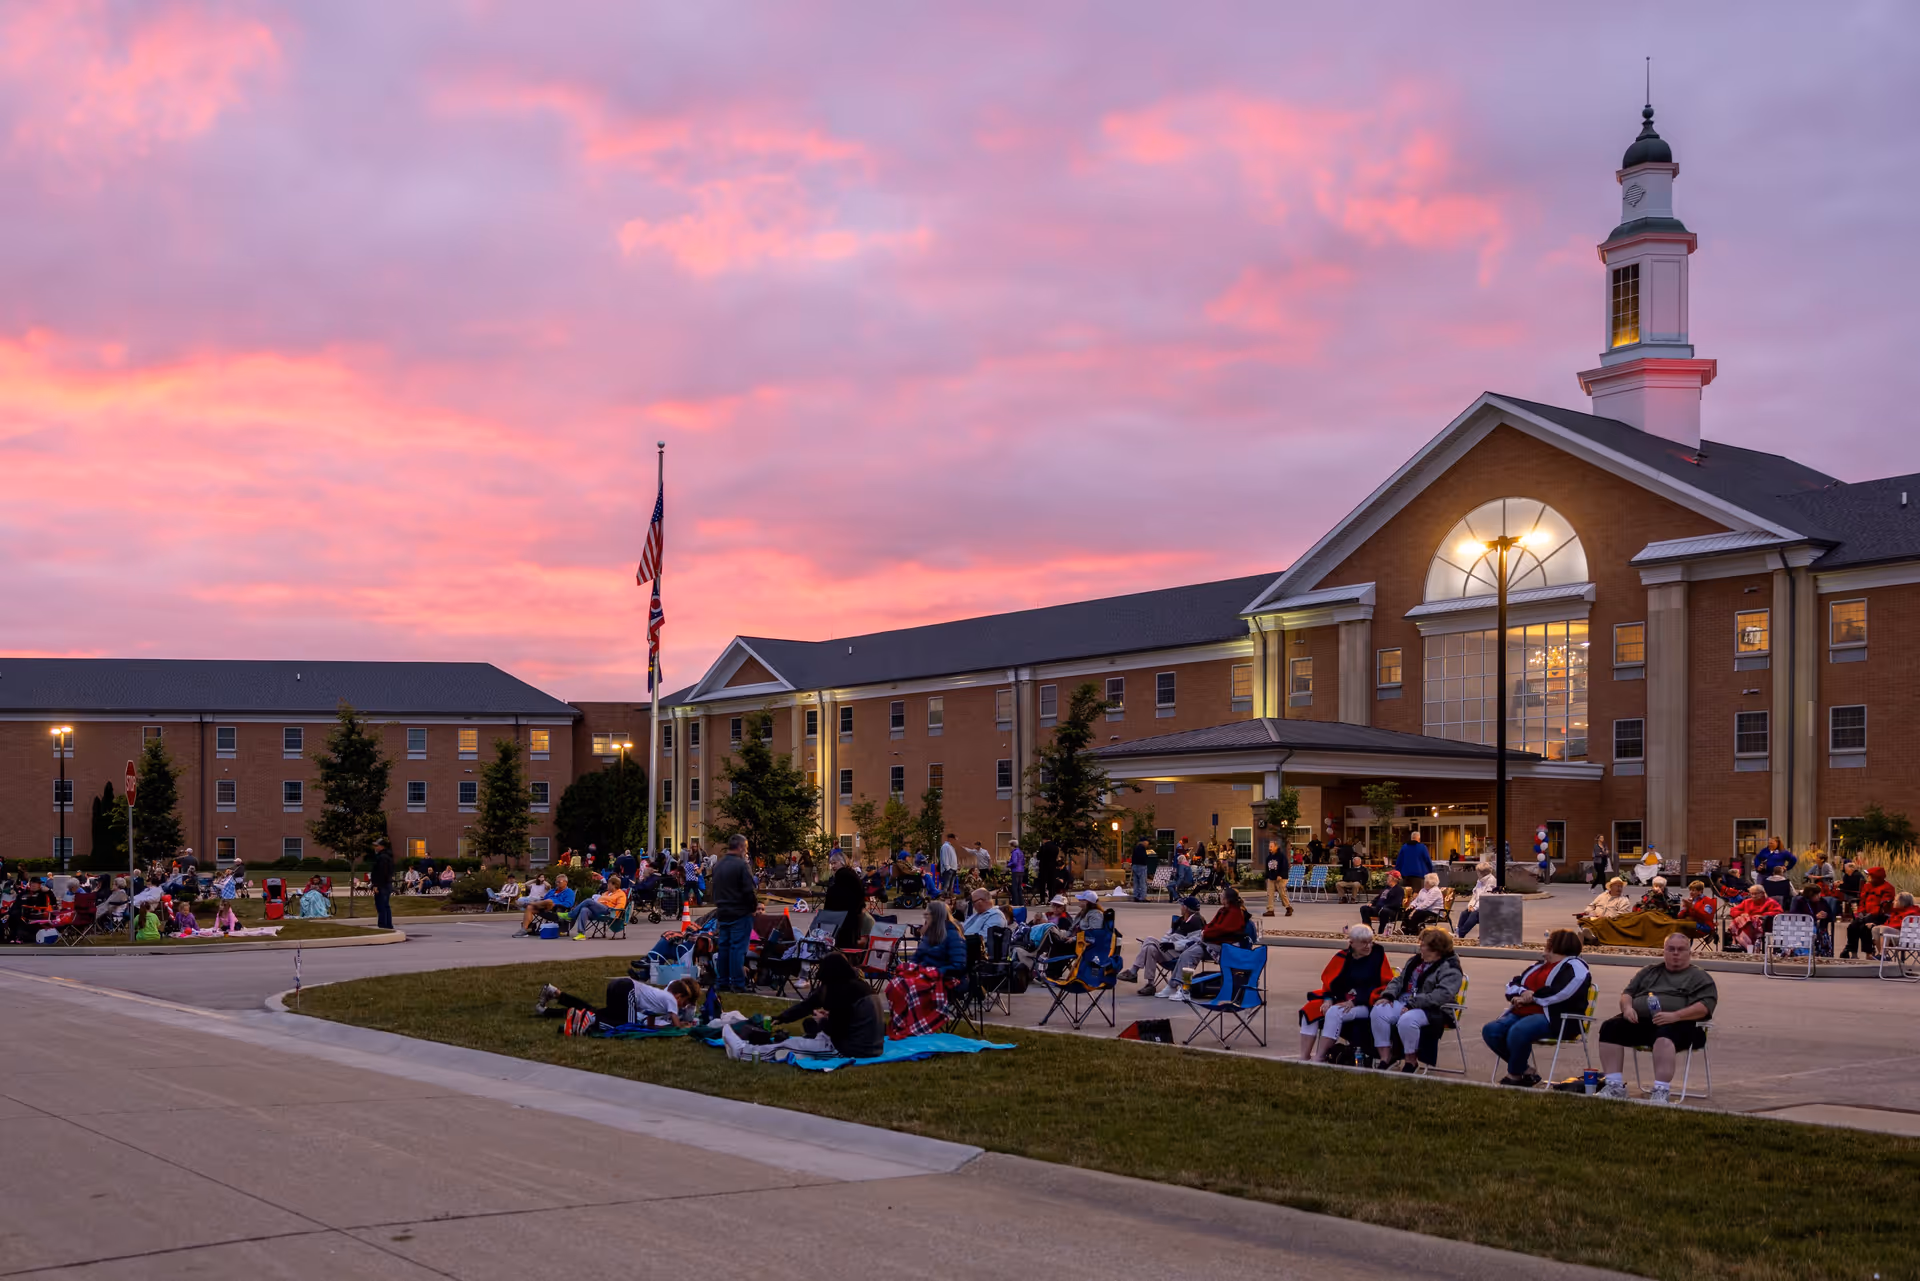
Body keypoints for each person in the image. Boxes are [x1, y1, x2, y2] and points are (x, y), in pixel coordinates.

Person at [1595, 934, 1718, 1103]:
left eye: (1681, 949)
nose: (1675, 953)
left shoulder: (1699, 977)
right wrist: (1627, 1008)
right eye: (1671, 949)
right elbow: (1628, 993)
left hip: (1682, 1025)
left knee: (1664, 1035)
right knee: (1611, 1027)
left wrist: (1675, 1016)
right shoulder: (1649, 971)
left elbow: (1704, 1007)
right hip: (1644, 1023)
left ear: (1690, 953)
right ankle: (1614, 1086)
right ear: (1664, 951)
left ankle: (1661, 1090)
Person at [1480, 929, 1592, 1087]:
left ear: (1557, 944)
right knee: (1491, 1030)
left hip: (1556, 1017)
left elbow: (1562, 992)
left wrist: (1533, 997)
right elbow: (1512, 985)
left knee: (1519, 1031)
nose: (1546, 943)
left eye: (1550, 940)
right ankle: (1525, 1071)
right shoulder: (1539, 965)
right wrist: (1522, 993)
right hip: (1522, 1013)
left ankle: (1514, 1076)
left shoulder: (1576, 966)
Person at [1369, 929, 1466, 1072]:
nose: (1419, 946)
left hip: (1434, 1009)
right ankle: (1385, 1057)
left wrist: (1413, 1004)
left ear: (1436, 949)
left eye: (1423, 944)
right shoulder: (1416, 960)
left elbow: (1442, 994)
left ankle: (1411, 1061)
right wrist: (1388, 995)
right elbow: (1399, 980)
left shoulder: (1450, 967)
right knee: (1379, 1011)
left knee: (1407, 1020)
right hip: (1406, 1001)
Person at [759, 951, 884, 1059]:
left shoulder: (843, 991)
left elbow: (836, 1030)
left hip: (853, 1050)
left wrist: (822, 1020)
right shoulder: (858, 986)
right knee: (809, 1027)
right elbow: (809, 1005)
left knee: (788, 1045)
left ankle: (744, 1050)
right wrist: (782, 1018)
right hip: (873, 1047)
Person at [1301, 926, 1396, 1064]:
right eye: (1364, 942)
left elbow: (1383, 985)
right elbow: (1330, 982)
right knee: (1310, 1009)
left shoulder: (1377, 954)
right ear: (1351, 943)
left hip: (1367, 1003)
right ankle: (1304, 1057)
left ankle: (1319, 1057)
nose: (1368, 946)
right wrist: (1327, 999)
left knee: (1335, 1011)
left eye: (1370, 941)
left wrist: (1355, 1002)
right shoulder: (1343, 956)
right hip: (1342, 999)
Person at [537, 974, 701, 1029]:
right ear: (680, 995)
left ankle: (555, 997)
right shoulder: (671, 999)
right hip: (631, 1003)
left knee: (595, 1011)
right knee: (621, 1025)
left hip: (626, 992)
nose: (684, 1006)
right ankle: (585, 1021)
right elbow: (679, 1020)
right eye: (685, 1002)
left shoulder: (670, 990)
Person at [1118, 896, 1207, 996]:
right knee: (1150, 948)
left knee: (1149, 939)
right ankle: (1150, 985)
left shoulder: (1196, 921)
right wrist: (1163, 944)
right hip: (1168, 951)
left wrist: (1172, 945)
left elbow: (1193, 942)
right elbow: (1168, 935)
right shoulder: (1180, 920)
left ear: (1186, 908)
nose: (1180, 907)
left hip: (1178, 953)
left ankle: (1133, 971)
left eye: (1182, 905)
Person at [710, 834, 758, 992]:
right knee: (737, 949)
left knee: (723, 947)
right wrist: (753, 908)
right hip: (740, 913)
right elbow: (749, 891)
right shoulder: (742, 865)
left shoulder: (718, 865)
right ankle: (737, 983)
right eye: (746, 847)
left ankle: (722, 982)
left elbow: (714, 890)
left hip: (723, 912)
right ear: (741, 847)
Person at [1844, 867, 1898, 957]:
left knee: (1864, 928)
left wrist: (1871, 914)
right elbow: (1862, 901)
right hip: (1866, 914)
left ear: (1876, 877)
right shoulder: (1867, 886)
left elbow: (1885, 906)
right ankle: (1852, 951)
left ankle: (1868, 953)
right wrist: (1860, 911)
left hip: (1879, 915)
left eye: (1869, 876)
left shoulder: (1888, 888)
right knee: (1852, 927)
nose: (1868, 878)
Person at [912, 900, 967, 978]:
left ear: (936, 916)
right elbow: (917, 957)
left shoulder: (953, 935)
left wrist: (936, 972)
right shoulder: (929, 934)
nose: (925, 919)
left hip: (943, 979)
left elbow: (959, 965)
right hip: (925, 975)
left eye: (927, 915)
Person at [1872, 892, 1920, 958]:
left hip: (1907, 938)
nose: (1893, 902)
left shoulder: (1912, 913)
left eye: (1896, 900)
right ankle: (1883, 955)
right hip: (1895, 935)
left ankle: (1883, 955)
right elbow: (1888, 924)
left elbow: (1906, 927)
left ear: (1903, 902)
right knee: (1875, 929)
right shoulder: (1896, 912)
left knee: (1884, 929)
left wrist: (1886, 927)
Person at [1455, 863, 1496, 937]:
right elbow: (1475, 894)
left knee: (1474, 915)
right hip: (1478, 906)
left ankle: (1461, 933)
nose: (1477, 873)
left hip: (1487, 908)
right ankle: (1458, 931)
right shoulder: (1480, 881)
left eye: (1478, 872)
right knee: (1465, 913)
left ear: (1482, 872)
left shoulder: (1491, 881)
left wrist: (1475, 908)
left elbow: (1485, 897)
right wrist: (1470, 905)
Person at [1262, 837, 1293, 918]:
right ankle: (1270, 910)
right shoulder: (1269, 857)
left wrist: (1281, 875)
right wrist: (1267, 877)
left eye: (1271, 846)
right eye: (1269, 846)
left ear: (1276, 847)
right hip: (1271, 877)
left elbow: (1285, 866)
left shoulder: (1281, 856)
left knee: (1282, 893)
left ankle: (1288, 907)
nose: (1270, 848)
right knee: (1270, 894)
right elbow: (1267, 868)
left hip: (1281, 878)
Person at [368, 837, 394, 930]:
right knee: (385, 905)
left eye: (377, 845)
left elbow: (381, 872)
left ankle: (383, 925)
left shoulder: (382, 857)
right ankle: (388, 924)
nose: (375, 847)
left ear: (382, 846)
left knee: (381, 905)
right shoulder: (387, 856)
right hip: (386, 884)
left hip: (382, 885)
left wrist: (376, 885)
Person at [1336, 840, 1367, 904]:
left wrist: (1362, 883)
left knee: (1355, 884)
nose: (1356, 862)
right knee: (1338, 884)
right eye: (1355, 861)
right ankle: (1343, 898)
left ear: (1360, 862)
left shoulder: (1363, 869)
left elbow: (1365, 877)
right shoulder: (1350, 869)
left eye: (1357, 861)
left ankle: (1353, 898)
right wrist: (1344, 880)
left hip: (1357, 883)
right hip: (1348, 882)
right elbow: (1345, 875)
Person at [1130, 837, 1152, 903]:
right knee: (1143, 882)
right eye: (1147, 842)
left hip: (1135, 866)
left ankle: (1136, 896)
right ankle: (1142, 897)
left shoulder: (1136, 848)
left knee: (1136, 882)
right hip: (1141, 866)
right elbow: (1143, 857)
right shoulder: (1142, 848)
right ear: (1144, 842)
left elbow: (1133, 857)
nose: (1148, 843)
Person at [1006, 841, 1026, 906]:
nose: (1009, 847)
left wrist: (1008, 864)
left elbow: (1014, 862)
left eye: (1009, 845)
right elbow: (1023, 862)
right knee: (1019, 887)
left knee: (1015, 887)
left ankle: (1015, 902)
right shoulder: (1020, 852)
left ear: (1012, 845)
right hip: (1021, 871)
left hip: (1015, 870)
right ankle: (1021, 902)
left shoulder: (1014, 852)